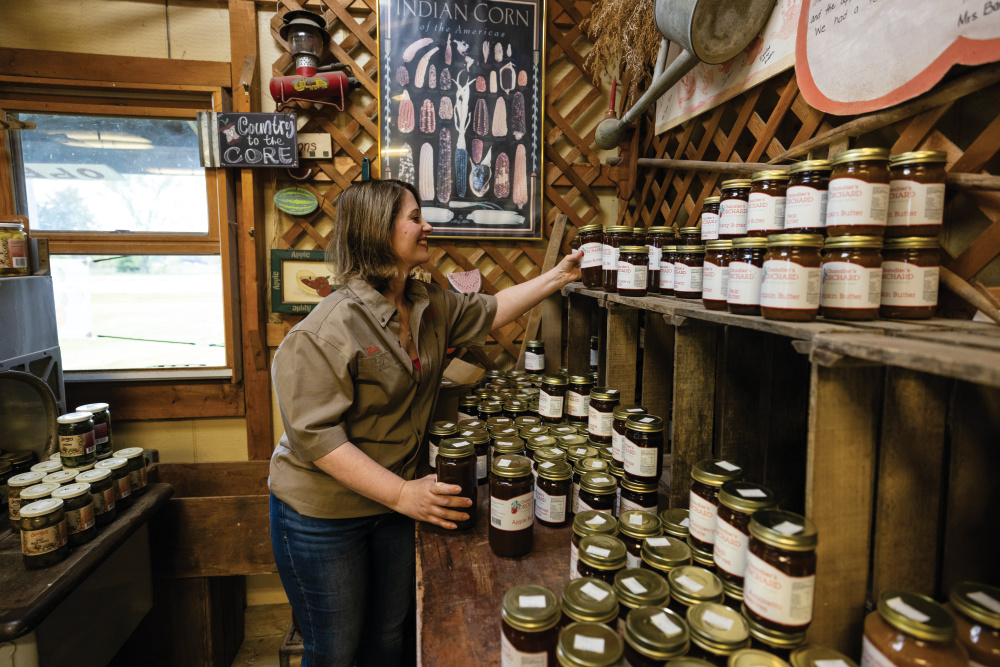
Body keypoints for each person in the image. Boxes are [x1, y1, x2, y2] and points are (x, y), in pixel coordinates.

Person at [268, 178, 582, 666]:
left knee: (391, 636)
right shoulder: (327, 330)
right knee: (335, 649)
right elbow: (318, 440)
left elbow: (493, 309)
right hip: (322, 516)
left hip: (396, 500)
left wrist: (560, 275)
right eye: (415, 216)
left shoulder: (426, 303)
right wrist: (401, 494)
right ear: (377, 230)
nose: (427, 224)